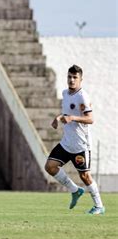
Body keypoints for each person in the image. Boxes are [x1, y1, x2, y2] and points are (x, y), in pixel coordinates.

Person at [44, 64, 105, 215]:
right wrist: (58, 118)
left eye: (74, 77)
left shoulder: (82, 96)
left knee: (85, 176)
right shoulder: (65, 93)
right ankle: (75, 190)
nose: (71, 80)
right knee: (50, 167)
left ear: (80, 79)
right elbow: (67, 113)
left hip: (80, 144)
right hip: (66, 143)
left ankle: (99, 206)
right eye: (69, 77)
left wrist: (73, 118)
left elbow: (90, 119)